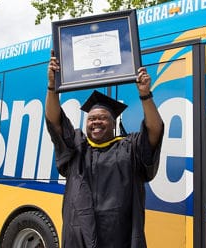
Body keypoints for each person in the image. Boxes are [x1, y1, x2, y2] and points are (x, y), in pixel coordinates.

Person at [45, 50, 164, 248]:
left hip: (119, 237)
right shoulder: (77, 148)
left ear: (113, 122)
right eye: (91, 118)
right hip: (79, 237)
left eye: (102, 118)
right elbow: (54, 121)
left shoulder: (128, 148)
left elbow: (154, 130)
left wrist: (145, 95)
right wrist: (51, 86)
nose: (96, 122)